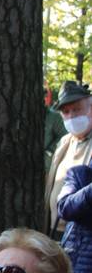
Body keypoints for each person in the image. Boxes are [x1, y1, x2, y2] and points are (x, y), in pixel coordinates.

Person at [44, 82, 92, 239]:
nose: (71, 116)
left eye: (77, 109)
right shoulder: (65, 141)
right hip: (55, 230)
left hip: (83, 235)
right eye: (66, 111)